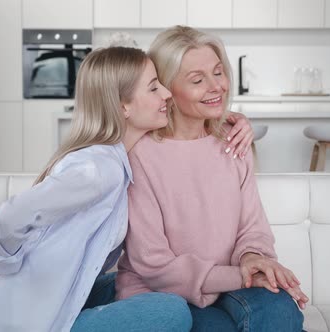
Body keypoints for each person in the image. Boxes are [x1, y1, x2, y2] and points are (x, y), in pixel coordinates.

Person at [0, 46, 255, 331]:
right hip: (28, 320)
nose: (166, 93)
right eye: (153, 88)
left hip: (61, 291)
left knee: (149, 293)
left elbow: (191, 128)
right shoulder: (99, 169)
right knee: (170, 310)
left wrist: (231, 119)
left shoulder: (118, 158)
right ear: (123, 106)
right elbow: (13, 214)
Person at [115, 26, 308, 332]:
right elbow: (155, 265)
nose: (216, 86)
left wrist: (253, 258)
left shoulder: (235, 143)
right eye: (197, 79)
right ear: (166, 89)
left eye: (218, 72)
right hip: (164, 294)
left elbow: (253, 227)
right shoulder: (140, 155)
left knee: (282, 312)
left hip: (233, 282)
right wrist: (242, 275)